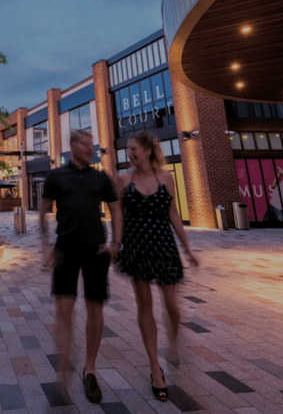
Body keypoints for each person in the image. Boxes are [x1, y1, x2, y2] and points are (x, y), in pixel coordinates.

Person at [39, 129, 123, 404]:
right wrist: (44, 247)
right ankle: (62, 372)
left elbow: (116, 209)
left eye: (91, 144)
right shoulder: (55, 176)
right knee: (63, 311)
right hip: (65, 249)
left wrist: (116, 243)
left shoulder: (101, 177)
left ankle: (90, 368)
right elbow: (43, 212)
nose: (90, 148)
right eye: (84, 144)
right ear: (71, 146)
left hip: (96, 250)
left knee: (94, 308)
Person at [115, 131, 199, 402]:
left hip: (163, 245)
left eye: (134, 149)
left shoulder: (166, 177)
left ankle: (173, 342)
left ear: (149, 151)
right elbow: (116, 215)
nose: (130, 153)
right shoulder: (123, 179)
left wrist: (188, 249)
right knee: (145, 306)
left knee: (173, 307)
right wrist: (115, 243)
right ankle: (155, 368)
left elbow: (172, 213)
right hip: (137, 246)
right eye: (128, 150)